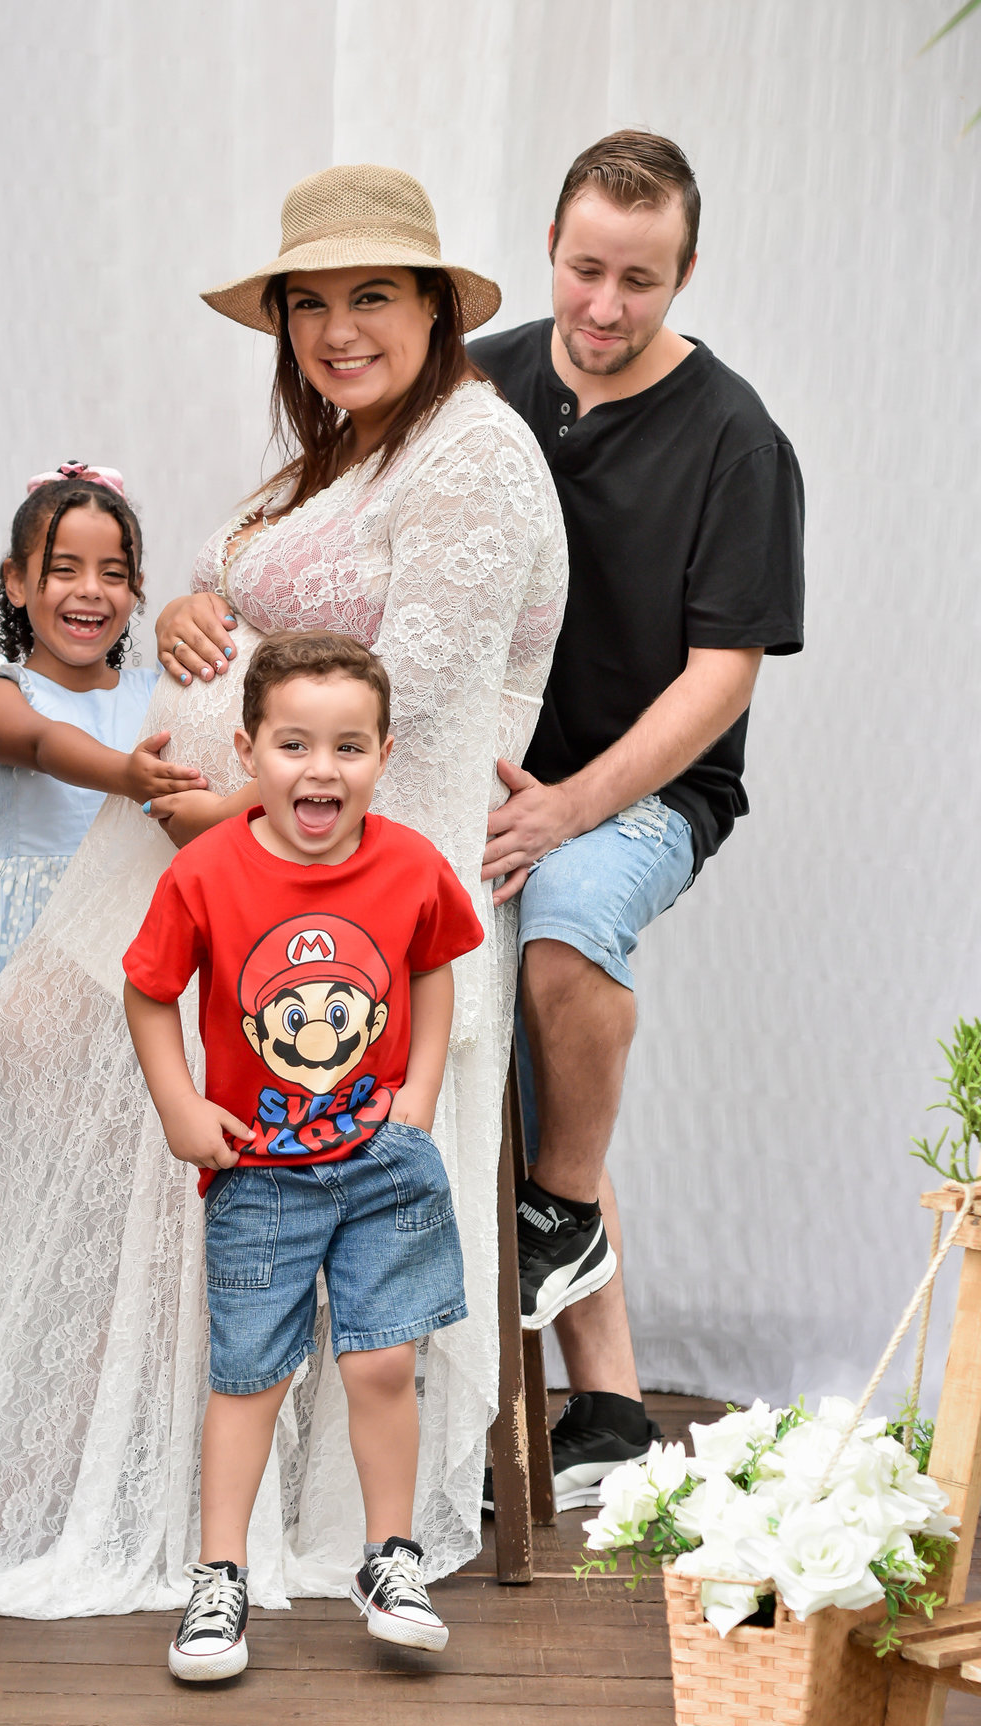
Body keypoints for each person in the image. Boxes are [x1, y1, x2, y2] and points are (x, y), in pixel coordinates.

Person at [0, 164, 566, 1617]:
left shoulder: (472, 454)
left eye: (370, 296)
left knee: (116, 1069)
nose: (336, 330)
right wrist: (204, 604)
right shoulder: (340, 450)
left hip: (337, 885)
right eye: (307, 305)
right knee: (22, 1037)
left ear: (434, 308)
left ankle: (169, 1464)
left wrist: (233, 810)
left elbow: (405, 699)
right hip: (221, 852)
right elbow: (245, 598)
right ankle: (96, 1426)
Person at [470, 131, 805, 1509]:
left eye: (641, 280)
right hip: (482, 783)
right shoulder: (477, 383)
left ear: (688, 273)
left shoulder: (738, 440)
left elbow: (722, 677)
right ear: (549, 247)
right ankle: (607, 1409)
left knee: (564, 926)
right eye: (584, 270)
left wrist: (568, 810)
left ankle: (556, 1215)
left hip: (649, 794)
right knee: (505, 1049)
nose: (604, 307)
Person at [125, 632, 484, 1679]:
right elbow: (149, 991)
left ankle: (391, 1558)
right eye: (293, 744)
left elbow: (433, 970)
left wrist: (418, 1097)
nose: (320, 769)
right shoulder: (207, 871)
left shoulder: (411, 865)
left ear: (383, 755)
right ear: (248, 752)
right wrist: (180, 1106)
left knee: (383, 1361)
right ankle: (220, 1578)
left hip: (381, 1164)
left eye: (347, 747)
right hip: (259, 1174)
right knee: (250, 1377)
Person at [0, 464, 204, 1117]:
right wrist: (126, 776)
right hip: (35, 946)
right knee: (41, 1128)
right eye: (64, 569)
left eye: (114, 573)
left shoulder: (159, 694)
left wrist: (185, 611)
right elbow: (43, 744)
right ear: (15, 581)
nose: (90, 590)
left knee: (133, 1129)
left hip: (137, 939)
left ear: (137, 590)